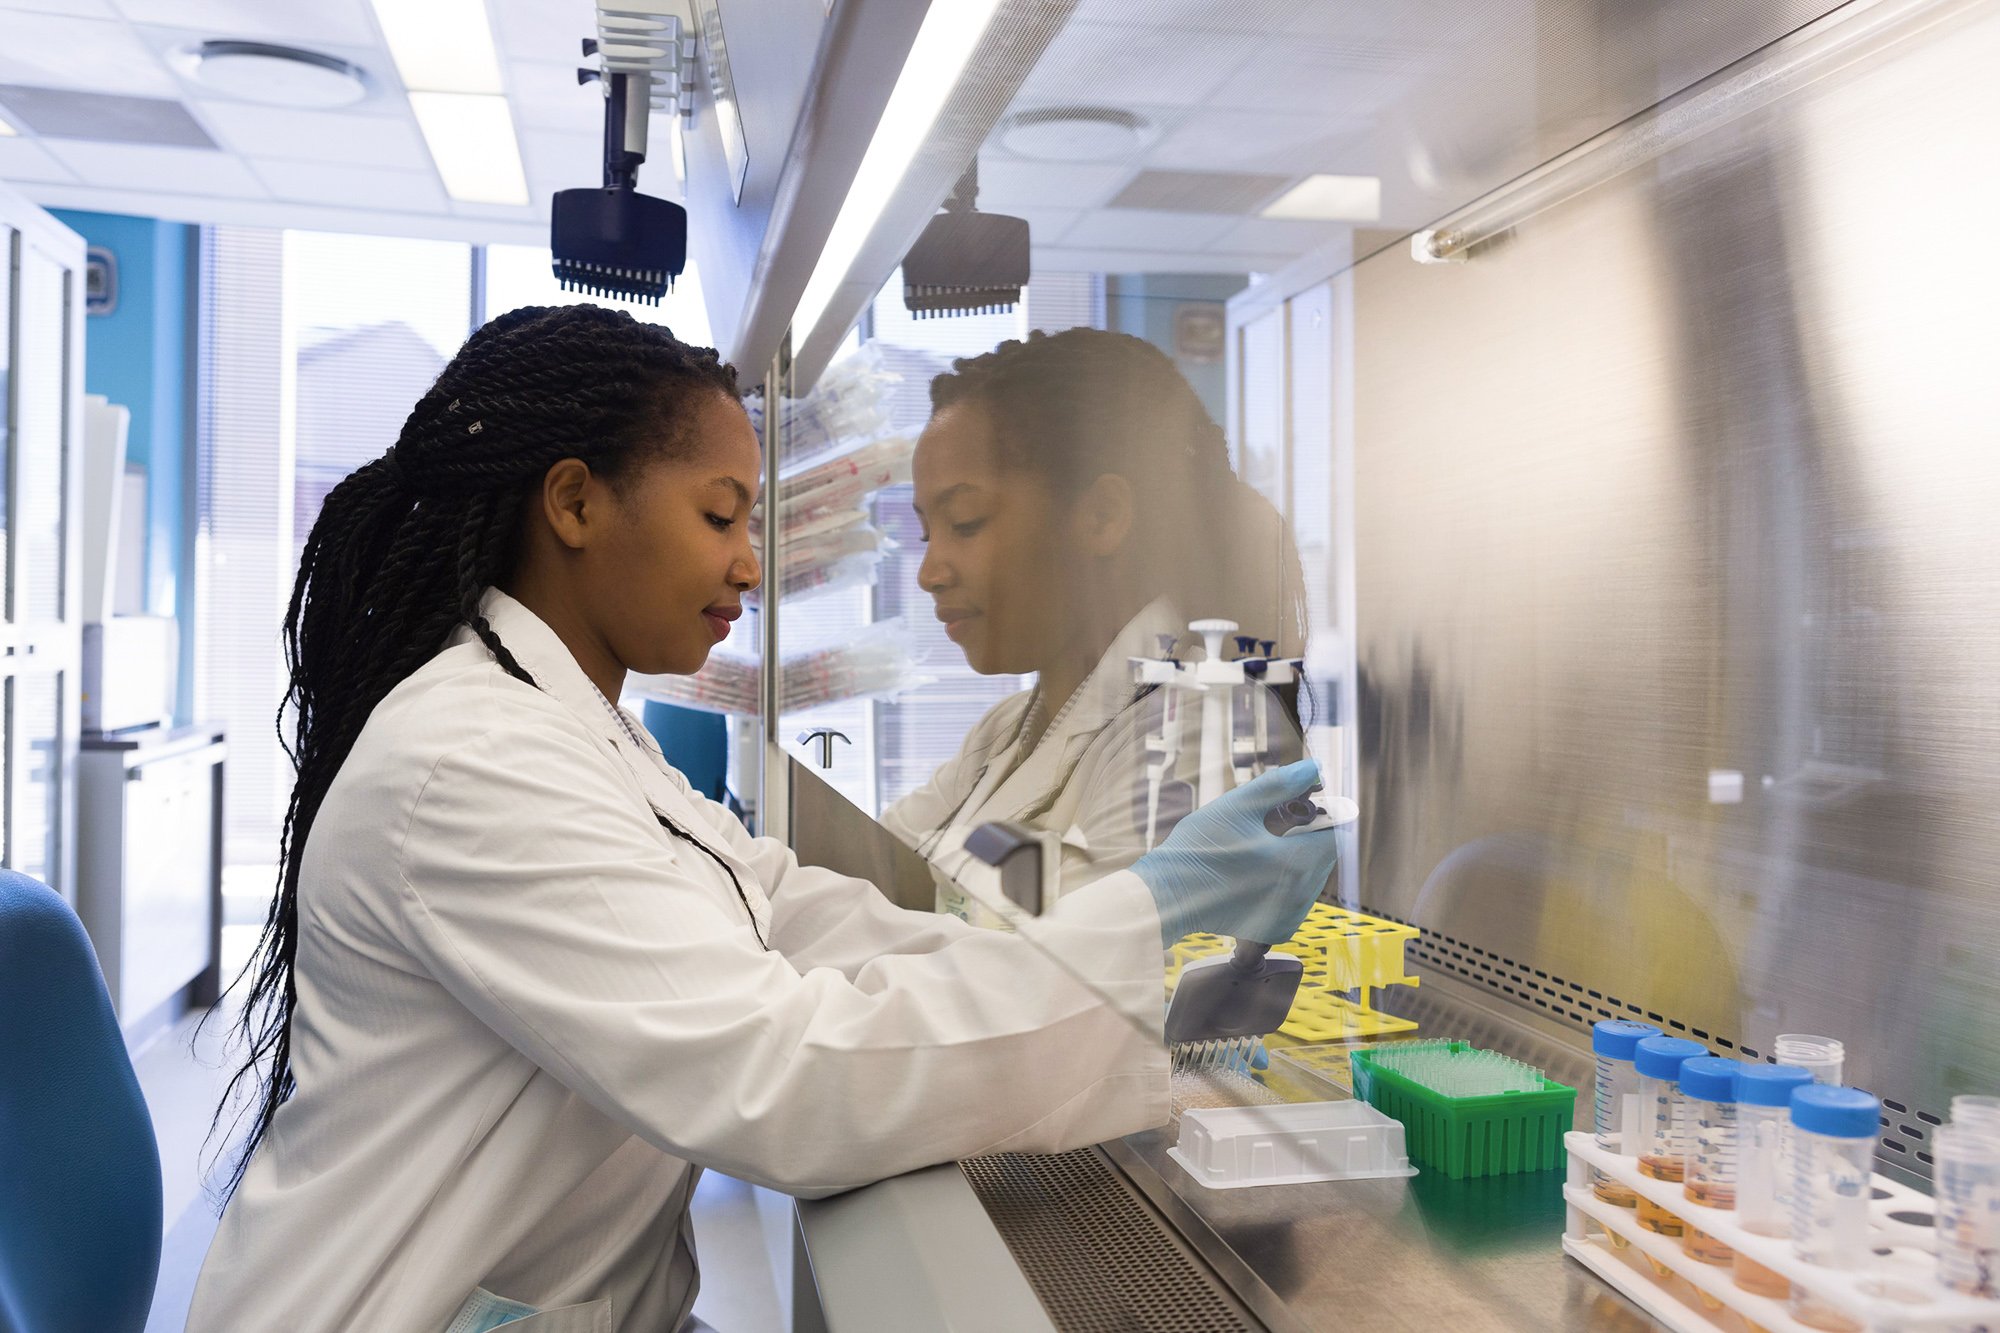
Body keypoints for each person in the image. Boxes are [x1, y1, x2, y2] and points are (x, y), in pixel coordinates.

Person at [185, 306, 1337, 1333]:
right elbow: (782, 1073)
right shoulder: (479, 758)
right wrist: (1138, 920)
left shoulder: (568, 728)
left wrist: (1115, 928)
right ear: (576, 502)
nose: (748, 565)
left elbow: (783, 900)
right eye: (720, 514)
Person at [883, 328, 1311, 925]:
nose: (930, 572)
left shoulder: (1200, 738)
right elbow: (877, 863)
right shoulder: (1007, 729)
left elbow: (1062, 980)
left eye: (966, 521)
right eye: (929, 533)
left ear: (1102, 516)